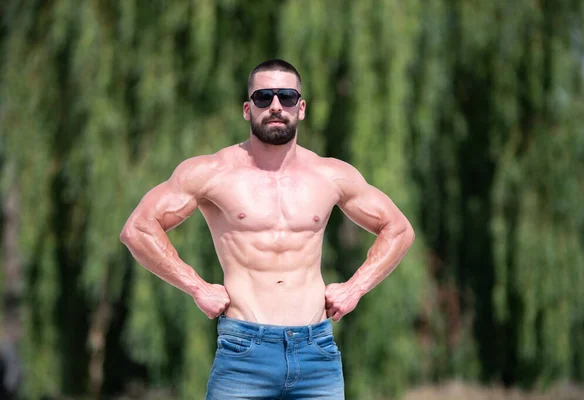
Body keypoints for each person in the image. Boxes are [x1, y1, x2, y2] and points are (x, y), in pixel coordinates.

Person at [120, 59, 415, 399]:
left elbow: (398, 229)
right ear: (247, 109)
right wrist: (196, 286)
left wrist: (355, 288)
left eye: (287, 96)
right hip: (243, 351)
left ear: (300, 108)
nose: (276, 106)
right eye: (263, 97)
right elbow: (138, 228)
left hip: (316, 352)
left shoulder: (330, 175)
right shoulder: (212, 172)